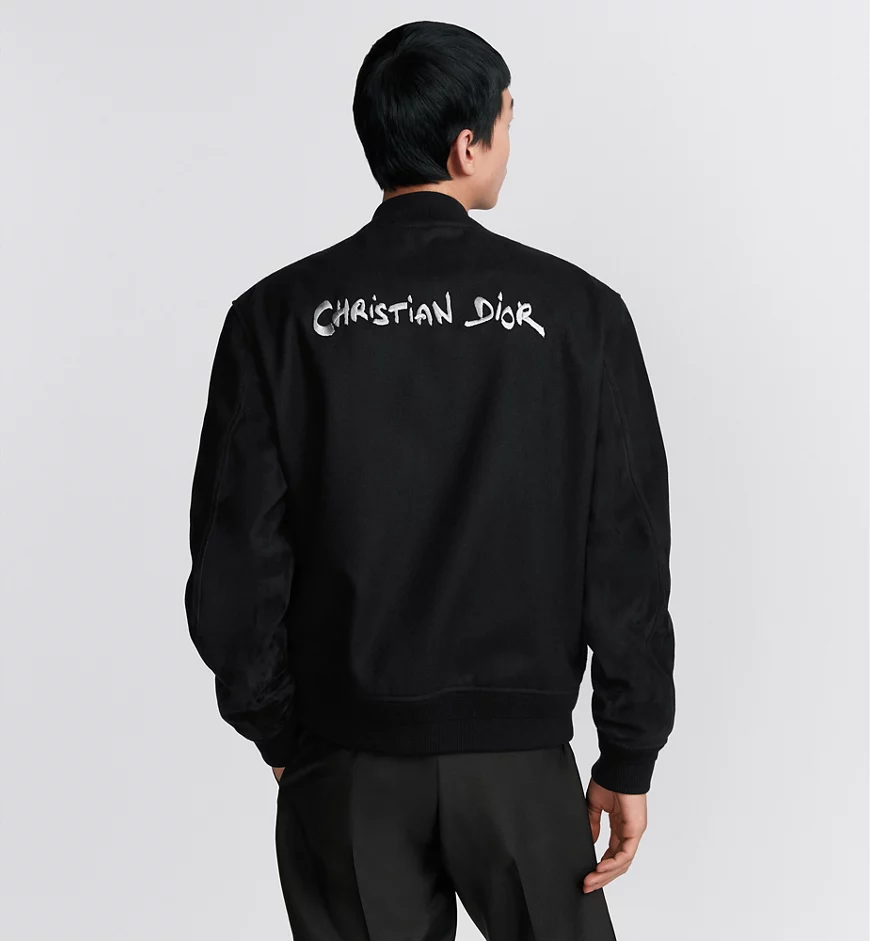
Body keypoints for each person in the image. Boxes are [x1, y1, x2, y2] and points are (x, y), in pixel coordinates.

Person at [184, 19, 676, 941]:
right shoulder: (581, 315)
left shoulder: (275, 318)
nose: (509, 140)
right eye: (507, 119)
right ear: (466, 145)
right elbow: (627, 552)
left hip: (346, 766)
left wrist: (282, 731)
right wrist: (628, 751)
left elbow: (235, 560)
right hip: (522, 770)